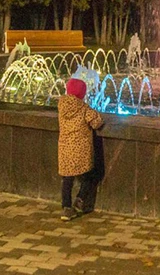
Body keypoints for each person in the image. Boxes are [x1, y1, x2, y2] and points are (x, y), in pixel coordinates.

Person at [58, 78, 104, 220]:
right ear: (82, 94)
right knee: (89, 176)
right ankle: (79, 200)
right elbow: (96, 123)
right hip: (80, 150)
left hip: (65, 149)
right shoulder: (84, 108)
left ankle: (66, 208)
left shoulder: (61, 105)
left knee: (67, 179)